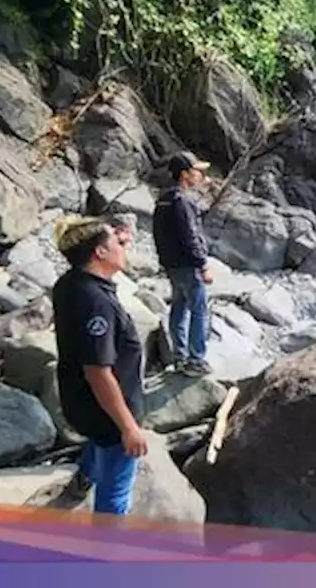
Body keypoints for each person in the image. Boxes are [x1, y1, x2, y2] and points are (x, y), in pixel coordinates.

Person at [51, 217, 148, 516]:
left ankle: (83, 479)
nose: (124, 246)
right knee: (115, 495)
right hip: (106, 412)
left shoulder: (70, 283)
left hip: (78, 401)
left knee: (97, 444)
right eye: (117, 243)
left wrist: (112, 236)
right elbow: (98, 373)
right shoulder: (97, 303)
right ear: (99, 253)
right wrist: (129, 428)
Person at [152, 152, 214, 377]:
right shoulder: (183, 200)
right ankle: (196, 360)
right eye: (197, 171)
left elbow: (158, 234)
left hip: (172, 265)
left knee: (178, 307)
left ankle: (179, 356)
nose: (201, 175)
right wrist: (202, 264)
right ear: (185, 173)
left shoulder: (164, 199)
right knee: (199, 310)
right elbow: (190, 235)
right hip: (188, 265)